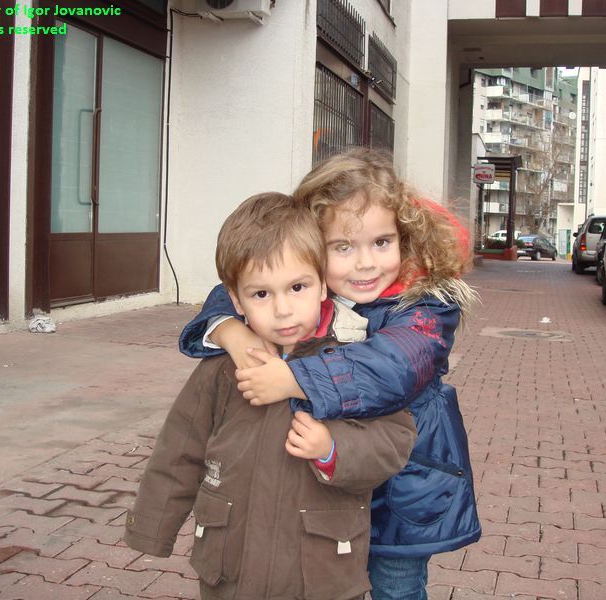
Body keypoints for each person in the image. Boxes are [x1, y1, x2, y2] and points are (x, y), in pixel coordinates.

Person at [179, 149, 482, 600]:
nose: (365, 263)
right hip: (325, 489)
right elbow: (243, 283)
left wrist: (295, 378)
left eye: (381, 242)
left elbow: (393, 368)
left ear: (404, 237)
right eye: (343, 247)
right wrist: (229, 330)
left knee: (395, 588)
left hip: (401, 490)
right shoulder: (310, 289)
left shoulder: (427, 305)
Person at [123, 192, 416, 600]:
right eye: (261, 294)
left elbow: (394, 440)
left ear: (322, 284)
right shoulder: (222, 369)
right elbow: (179, 451)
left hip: (320, 574)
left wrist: (333, 447)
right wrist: (152, 527)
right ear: (235, 298)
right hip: (230, 570)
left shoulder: (355, 359)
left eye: (297, 287)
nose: (282, 309)